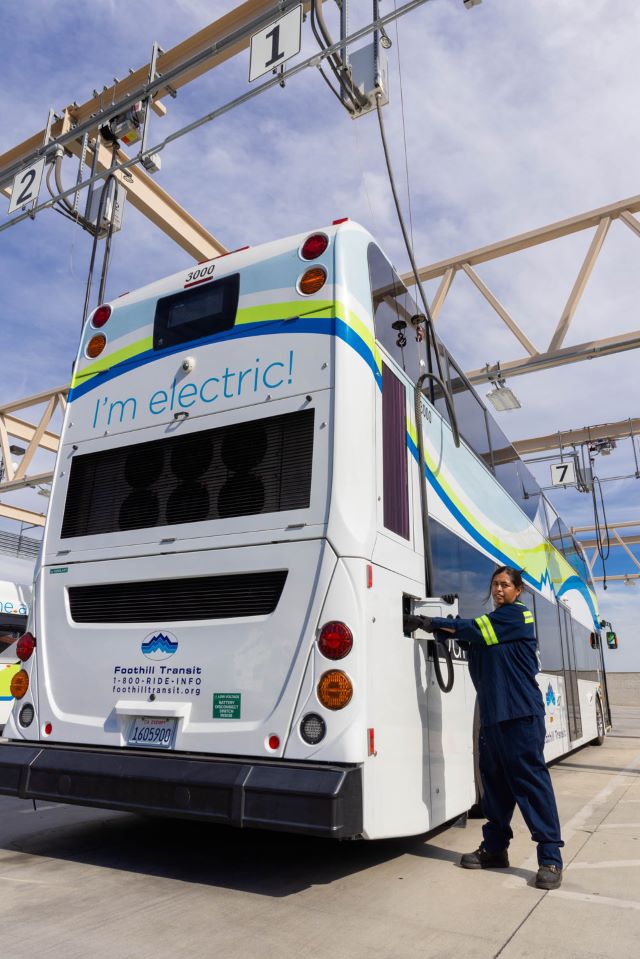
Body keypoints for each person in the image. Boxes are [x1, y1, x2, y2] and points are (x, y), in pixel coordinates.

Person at [423, 566, 564, 890]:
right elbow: (467, 634)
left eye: (505, 585)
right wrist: (438, 628)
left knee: (530, 785)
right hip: (492, 718)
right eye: (495, 585)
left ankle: (551, 858)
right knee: (495, 788)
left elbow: (471, 628)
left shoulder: (516, 617)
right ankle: (495, 850)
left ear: (517, 591)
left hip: (520, 717)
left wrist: (437, 623)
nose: (499, 590)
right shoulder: (490, 630)